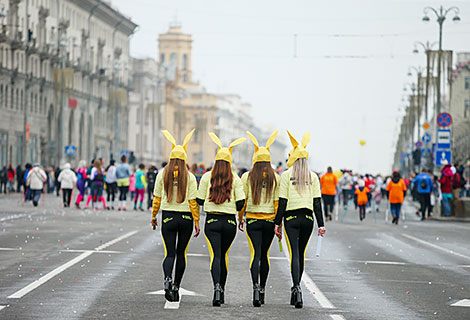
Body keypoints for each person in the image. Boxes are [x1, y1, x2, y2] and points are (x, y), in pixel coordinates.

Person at [273, 131, 325, 309]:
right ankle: (298, 288)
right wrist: (321, 224)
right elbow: (317, 202)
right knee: (301, 254)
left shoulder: (286, 175)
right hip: (308, 219)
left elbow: (283, 202)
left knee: (294, 253)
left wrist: (277, 223)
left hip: (291, 218)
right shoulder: (313, 177)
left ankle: (296, 289)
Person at [196, 132, 246, 307]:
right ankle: (222, 290)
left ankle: (216, 288)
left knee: (215, 256)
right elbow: (241, 205)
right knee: (224, 255)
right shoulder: (236, 179)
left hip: (212, 222)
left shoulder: (206, 177)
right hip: (230, 223)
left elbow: (199, 200)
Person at [151, 129, 200, 303]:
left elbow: (156, 198)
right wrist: (196, 221)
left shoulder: (162, 175)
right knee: (182, 253)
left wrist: (154, 216)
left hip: (168, 217)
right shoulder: (191, 177)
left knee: (169, 253)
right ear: (185, 158)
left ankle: (167, 280)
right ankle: (176, 287)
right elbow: (193, 202)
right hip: (186, 218)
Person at [238, 131, 279, 307]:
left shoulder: (247, 176)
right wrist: (279, 223)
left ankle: (254, 287)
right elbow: (277, 203)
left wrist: (240, 218)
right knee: (265, 255)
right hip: (270, 221)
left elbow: (244, 200)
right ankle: (262, 289)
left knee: (255, 254)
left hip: (253, 220)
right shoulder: (275, 177)